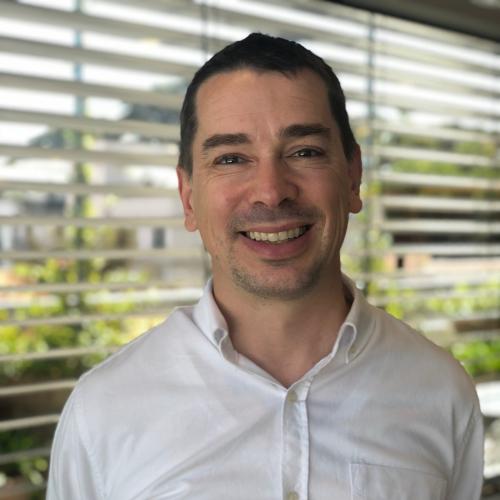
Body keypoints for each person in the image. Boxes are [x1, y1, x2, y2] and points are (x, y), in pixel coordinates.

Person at [47, 33, 483, 500]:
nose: (272, 192)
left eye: (304, 152)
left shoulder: (441, 393)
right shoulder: (103, 410)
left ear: (353, 177)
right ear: (188, 197)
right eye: (231, 158)